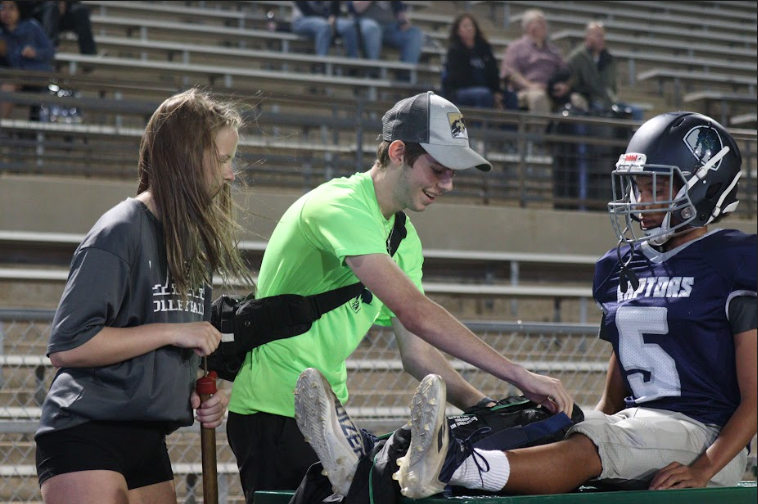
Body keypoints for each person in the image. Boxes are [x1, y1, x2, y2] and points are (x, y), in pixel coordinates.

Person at [301, 111, 756, 498]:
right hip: (637, 425)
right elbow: (621, 378)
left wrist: (706, 467)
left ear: (704, 188)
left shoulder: (735, 260)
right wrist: (576, 417)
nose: (639, 200)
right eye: (636, 185)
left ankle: (445, 469)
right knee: (533, 416)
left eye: (656, 186)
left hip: (703, 435)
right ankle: (366, 461)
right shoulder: (622, 264)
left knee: (590, 442)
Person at [226, 91, 573, 502]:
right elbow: (416, 313)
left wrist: (483, 405)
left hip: (326, 413)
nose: (446, 184)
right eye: (438, 170)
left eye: (452, 174)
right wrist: (517, 374)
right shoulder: (340, 205)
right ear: (397, 152)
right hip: (270, 409)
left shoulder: (403, 240)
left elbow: (418, 355)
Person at [34, 89, 254, 504]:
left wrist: (198, 391)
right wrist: (173, 334)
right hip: (86, 430)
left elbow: (180, 339)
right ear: (186, 156)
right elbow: (70, 345)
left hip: (148, 436)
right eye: (223, 159)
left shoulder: (191, 243)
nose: (231, 174)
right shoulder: (121, 229)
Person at [566, 21, 643, 120]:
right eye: (598, 36)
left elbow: (612, 88)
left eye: (602, 36)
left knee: (636, 112)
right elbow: (572, 84)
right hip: (589, 101)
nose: (602, 39)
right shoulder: (577, 58)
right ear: (588, 37)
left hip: (608, 102)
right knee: (599, 108)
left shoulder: (609, 59)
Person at [499, 9, 570, 114]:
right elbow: (510, 73)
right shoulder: (515, 47)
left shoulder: (553, 51)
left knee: (577, 99)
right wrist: (530, 85)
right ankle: (538, 130)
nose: (545, 26)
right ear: (529, 27)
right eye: (540, 22)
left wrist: (564, 85)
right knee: (538, 97)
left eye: (544, 23)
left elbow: (565, 72)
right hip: (525, 91)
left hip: (550, 91)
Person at [442, 13, 517, 111]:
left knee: (511, 97)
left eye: (471, 25)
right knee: (484, 95)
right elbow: (459, 78)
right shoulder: (455, 51)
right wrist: (490, 92)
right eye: (465, 26)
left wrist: (496, 92)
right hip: (459, 91)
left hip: (486, 90)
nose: (469, 28)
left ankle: (510, 126)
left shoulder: (485, 49)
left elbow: (493, 72)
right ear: (458, 31)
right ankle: (480, 126)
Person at [0, 0, 54, 119]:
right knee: (8, 85)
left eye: (11, 8)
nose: (6, 12)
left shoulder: (32, 26)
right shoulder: (2, 33)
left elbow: (50, 51)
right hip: (12, 77)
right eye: (2, 8)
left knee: (8, 86)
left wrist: (35, 53)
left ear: (19, 10)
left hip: (34, 76)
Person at [348, 1, 422, 64]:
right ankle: (372, 71)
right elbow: (356, 8)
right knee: (372, 28)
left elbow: (400, 12)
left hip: (389, 29)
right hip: (365, 27)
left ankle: (405, 75)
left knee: (414, 33)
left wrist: (404, 22)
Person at [291, 1, 361, 59]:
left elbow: (335, 9)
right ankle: (322, 64)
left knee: (348, 26)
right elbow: (307, 10)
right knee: (324, 26)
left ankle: (353, 63)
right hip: (302, 20)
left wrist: (333, 16)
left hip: (326, 20)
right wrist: (327, 20)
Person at [33, 1, 97, 55]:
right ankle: (51, 48)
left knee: (81, 10)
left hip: (63, 12)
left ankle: (89, 53)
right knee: (52, 7)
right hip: (43, 12)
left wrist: (64, 2)